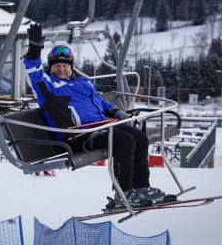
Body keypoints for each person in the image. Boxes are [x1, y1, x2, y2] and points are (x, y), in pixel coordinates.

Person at [22, 23, 165, 208]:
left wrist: (114, 110)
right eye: (57, 66)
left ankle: (141, 187)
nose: (62, 69)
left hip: (99, 128)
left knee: (139, 137)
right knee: (124, 141)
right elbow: (34, 73)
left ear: (72, 67)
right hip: (76, 135)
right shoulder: (48, 87)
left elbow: (98, 101)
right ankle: (123, 193)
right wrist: (34, 50)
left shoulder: (83, 83)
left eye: (65, 66)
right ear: (51, 68)